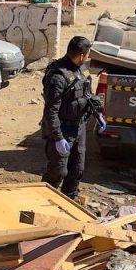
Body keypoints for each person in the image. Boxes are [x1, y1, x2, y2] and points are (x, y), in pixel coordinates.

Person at [41, 35, 104, 199]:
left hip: (79, 127)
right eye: (88, 54)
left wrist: (97, 112)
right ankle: (43, 200)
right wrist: (58, 137)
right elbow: (51, 111)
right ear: (81, 55)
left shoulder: (83, 69)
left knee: (77, 170)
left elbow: (87, 93)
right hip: (62, 129)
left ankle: (70, 200)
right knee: (58, 171)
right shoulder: (57, 76)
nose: (88, 57)